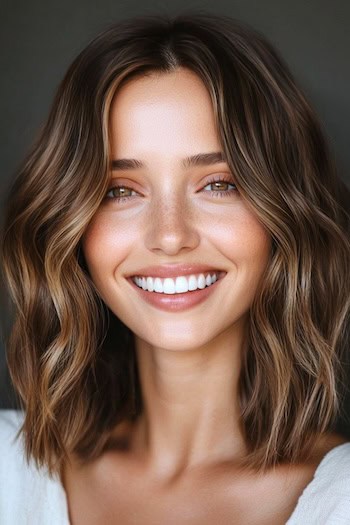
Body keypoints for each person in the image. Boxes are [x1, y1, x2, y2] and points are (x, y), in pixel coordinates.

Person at [1, 10, 350, 525]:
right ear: (71, 225)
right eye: (120, 191)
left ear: (285, 215)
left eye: (218, 184)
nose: (170, 235)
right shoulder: (9, 470)